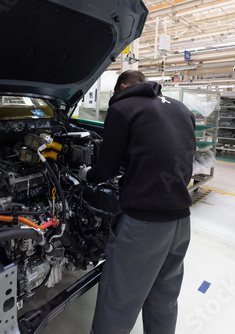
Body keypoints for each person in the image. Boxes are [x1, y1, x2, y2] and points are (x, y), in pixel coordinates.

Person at [78, 70, 196, 334]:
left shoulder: (122, 107)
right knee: (163, 297)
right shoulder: (181, 108)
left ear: (121, 87)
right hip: (180, 220)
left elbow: (105, 169)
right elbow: (180, 160)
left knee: (118, 302)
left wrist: (85, 174)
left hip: (144, 226)